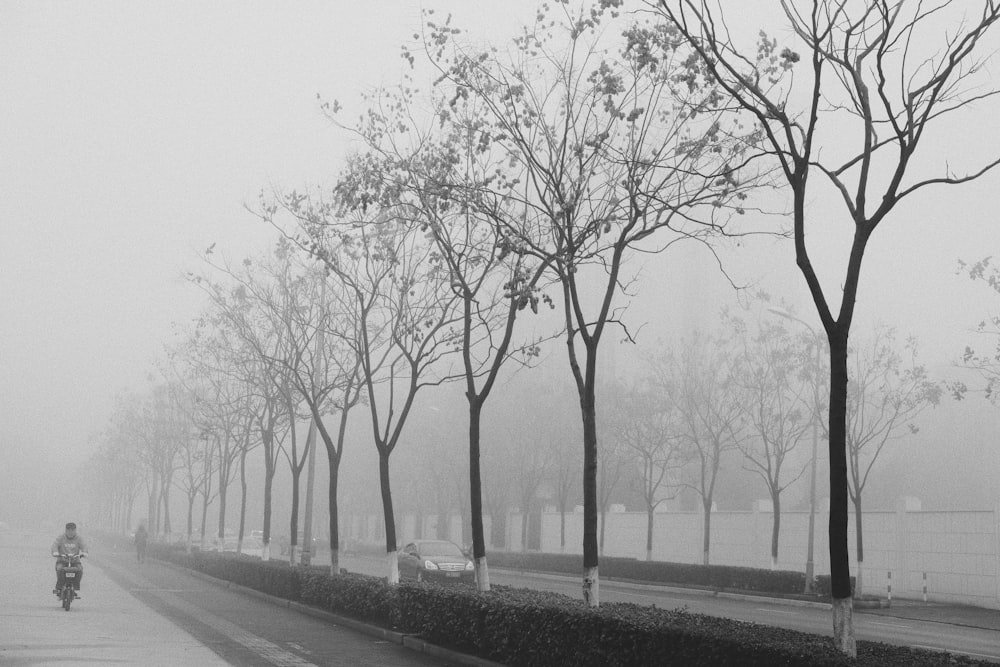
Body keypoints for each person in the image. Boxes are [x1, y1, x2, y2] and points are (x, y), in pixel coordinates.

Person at [51, 522, 88, 597]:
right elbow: (54, 545)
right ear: (65, 530)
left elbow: (84, 546)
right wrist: (55, 552)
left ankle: (75, 587)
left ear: (75, 530)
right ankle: (59, 587)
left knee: (79, 570)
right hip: (62, 560)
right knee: (60, 569)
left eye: (72, 530)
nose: (70, 532)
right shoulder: (61, 538)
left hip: (75, 561)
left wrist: (84, 552)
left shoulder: (79, 538)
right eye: (69, 530)